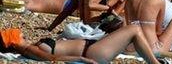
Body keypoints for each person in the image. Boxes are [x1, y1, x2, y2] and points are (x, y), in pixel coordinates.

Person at [0, 26, 160, 64]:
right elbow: (52, 58)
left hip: (93, 48)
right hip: (91, 52)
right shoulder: (28, 48)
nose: (22, 32)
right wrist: (80, 59)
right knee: (134, 30)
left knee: (134, 34)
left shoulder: (30, 46)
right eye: (17, 33)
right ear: (13, 41)